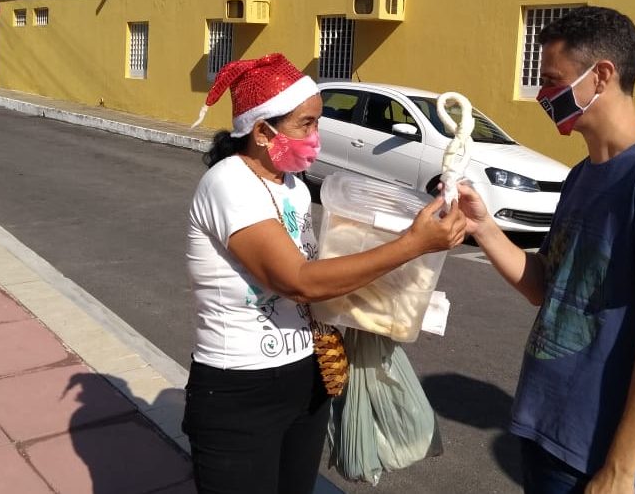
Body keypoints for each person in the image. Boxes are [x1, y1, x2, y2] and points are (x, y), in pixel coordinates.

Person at [457, 7, 635, 493]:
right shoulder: (583, 175)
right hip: (545, 427)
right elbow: (544, 288)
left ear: (601, 76)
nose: (542, 94)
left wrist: (620, 470)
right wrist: (484, 227)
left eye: (553, 80)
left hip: (595, 452)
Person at [182, 53, 466, 494]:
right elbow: (297, 280)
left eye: (318, 123)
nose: (317, 137)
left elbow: (321, 273)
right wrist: (411, 245)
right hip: (239, 388)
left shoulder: (291, 184)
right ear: (262, 131)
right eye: (307, 124)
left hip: (305, 374)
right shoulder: (229, 185)